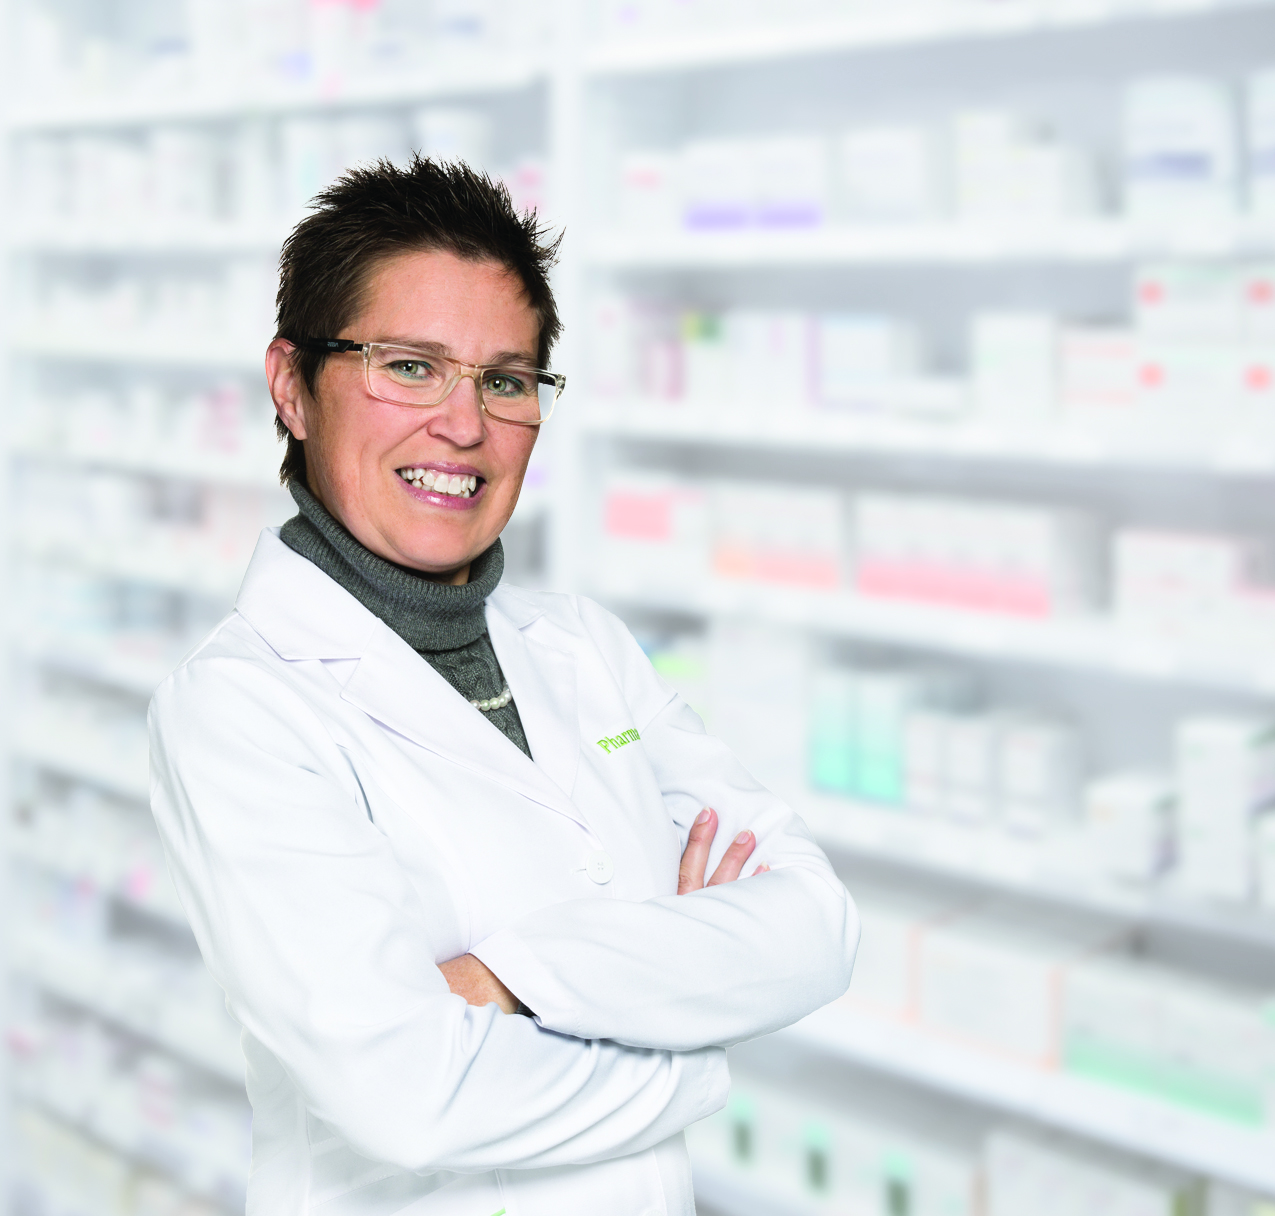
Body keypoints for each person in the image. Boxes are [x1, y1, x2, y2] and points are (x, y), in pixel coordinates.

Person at [148, 156, 859, 1216]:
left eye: (507, 380)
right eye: (409, 367)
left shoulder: (585, 648)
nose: (464, 424)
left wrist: (503, 980)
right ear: (292, 386)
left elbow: (815, 925)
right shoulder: (239, 709)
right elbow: (409, 1094)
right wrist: (691, 1045)